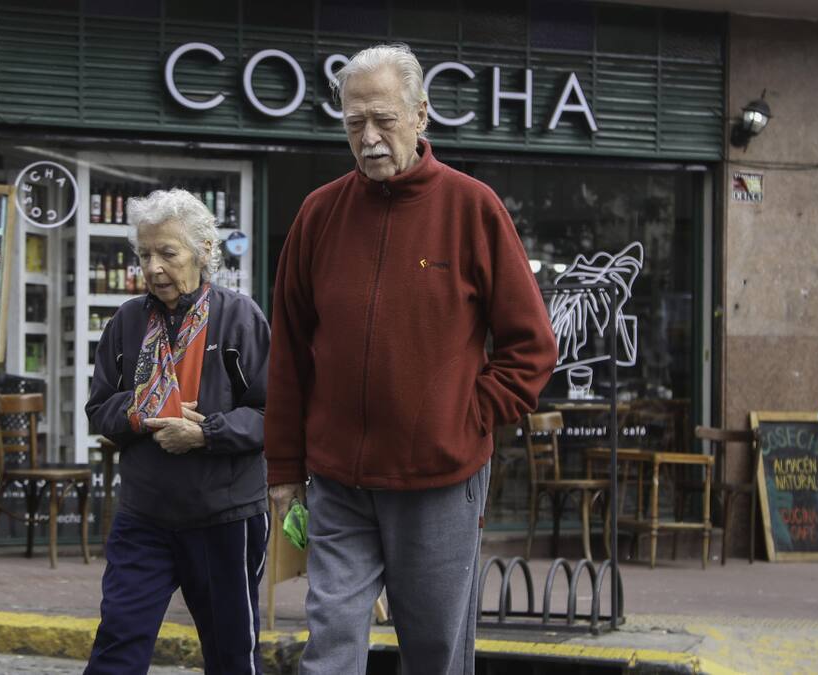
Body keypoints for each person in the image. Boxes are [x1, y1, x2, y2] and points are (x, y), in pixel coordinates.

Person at [264, 44, 558, 674]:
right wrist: (284, 472)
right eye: (353, 124)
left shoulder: (472, 208)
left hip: (440, 483)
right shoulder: (319, 214)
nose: (368, 138)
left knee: (435, 653)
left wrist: (466, 415)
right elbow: (288, 352)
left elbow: (531, 347)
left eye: (384, 120)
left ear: (421, 115)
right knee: (330, 644)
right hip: (338, 482)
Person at [85, 188, 271, 674]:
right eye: (145, 254)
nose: (153, 267)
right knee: (118, 642)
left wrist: (207, 432)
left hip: (225, 517)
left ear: (204, 252)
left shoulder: (239, 318)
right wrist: (139, 411)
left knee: (232, 654)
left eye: (167, 252)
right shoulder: (126, 322)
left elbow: (274, 414)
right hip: (144, 517)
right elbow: (99, 408)